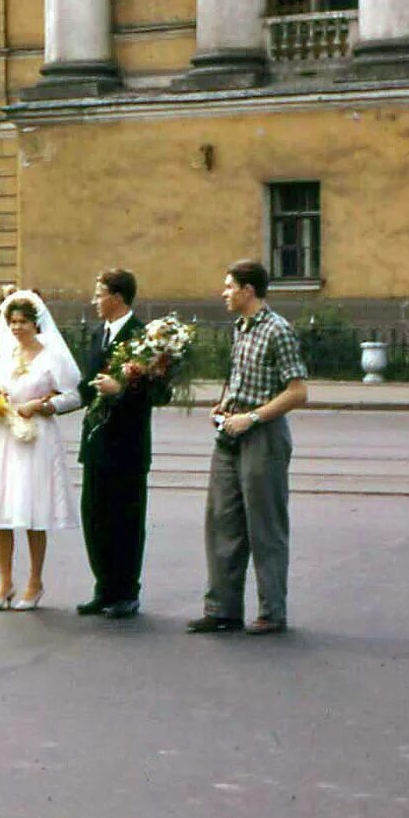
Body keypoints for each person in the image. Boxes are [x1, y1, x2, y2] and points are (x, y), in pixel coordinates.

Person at [189, 259, 309, 637]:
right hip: (231, 434)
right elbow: (244, 380)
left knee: (265, 527)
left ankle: (272, 612)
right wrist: (225, 406)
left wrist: (253, 417)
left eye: (229, 287)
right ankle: (222, 609)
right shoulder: (240, 329)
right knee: (222, 520)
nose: (224, 293)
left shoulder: (278, 331)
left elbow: (297, 391)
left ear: (248, 290)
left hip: (263, 437)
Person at [50, 269, 170, 620]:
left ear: (117, 297)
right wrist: (49, 406)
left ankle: (126, 592)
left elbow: (161, 392)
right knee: (95, 517)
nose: (94, 300)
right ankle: (104, 588)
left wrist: (123, 390)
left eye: (99, 293)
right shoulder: (98, 333)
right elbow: (88, 387)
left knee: (126, 521)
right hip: (97, 444)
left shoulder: (144, 336)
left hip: (128, 446)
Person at [0, 290, 81, 612]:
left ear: (36, 323)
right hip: (6, 435)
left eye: (23, 322)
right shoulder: (6, 356)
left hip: (37, 436)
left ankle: (35, 581)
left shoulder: (52, 356)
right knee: (1, 507)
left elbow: (73, 396)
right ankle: (5, 581)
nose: (17, 328)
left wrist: (44, 405)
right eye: (13, 322)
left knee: (34, 509)